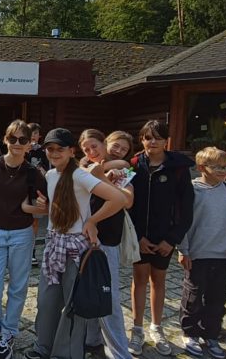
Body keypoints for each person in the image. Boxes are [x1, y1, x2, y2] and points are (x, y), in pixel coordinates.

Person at [27, 128, 125, 359]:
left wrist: (92, 220)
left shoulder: (80, 175)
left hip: (76, 248)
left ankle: (66, 353)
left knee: (73, 304)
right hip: (54, 244)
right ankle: (43, 347)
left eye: (59, 149)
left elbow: (118, 198)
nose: (54, 153)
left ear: (71, 151)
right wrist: (45, 206)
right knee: (47, 300)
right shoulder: (50, 176)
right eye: (50, 149)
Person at [0, 120, 46, 359]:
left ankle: (8, 332)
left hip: (22, 234)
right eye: (12, 138)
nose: (17, 143)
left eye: (22, 140)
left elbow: (45, 207)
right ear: (5, 140)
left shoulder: (33, 173)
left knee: (17, 286)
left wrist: (30, 207)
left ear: (29, 144)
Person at [127, 120, 194, 357]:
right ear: (141, 140)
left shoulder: (178, 168)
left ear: (166, 140)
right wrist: (137, 237)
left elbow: (186, 208)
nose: (152, 142)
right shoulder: (134, 165)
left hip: (165, 237)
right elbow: (127, 205)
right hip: (141, 237)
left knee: (158, 281)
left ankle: (157, 327)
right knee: (139, 280)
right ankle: (137, 329)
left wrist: (172, 239)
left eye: (157, 137)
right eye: (148, 137)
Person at [178, 147, 226, 359]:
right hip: (197, 253)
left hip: (224, 254)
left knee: (217, 298)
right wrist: (183, 249)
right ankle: (190, 332)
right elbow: (182, 222)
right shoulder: (191, 189)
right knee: (193, 296)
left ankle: (211, 334)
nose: (223, 171)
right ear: (201, 168)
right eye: (217, 167)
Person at [77, 129, 135, 359]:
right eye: (87, 148)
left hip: (108, 238)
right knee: (88, 289)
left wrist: (101, 176)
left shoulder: (122, 170)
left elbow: (127, 201)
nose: (92, 151)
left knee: (108, 294)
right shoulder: (84, 165)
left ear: (103, 144)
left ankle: (121, 353)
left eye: (95, 146)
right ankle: (92, 341)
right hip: (83, 237)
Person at [26, 122, 49, 267]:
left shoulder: (43, 151)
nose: (33, 136)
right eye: (31, 133)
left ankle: (32, 252)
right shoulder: (21, 148)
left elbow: (47, 171)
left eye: (36, 133)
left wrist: (39, 167)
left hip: (36, 190)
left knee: (34, 222)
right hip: (22, 190)